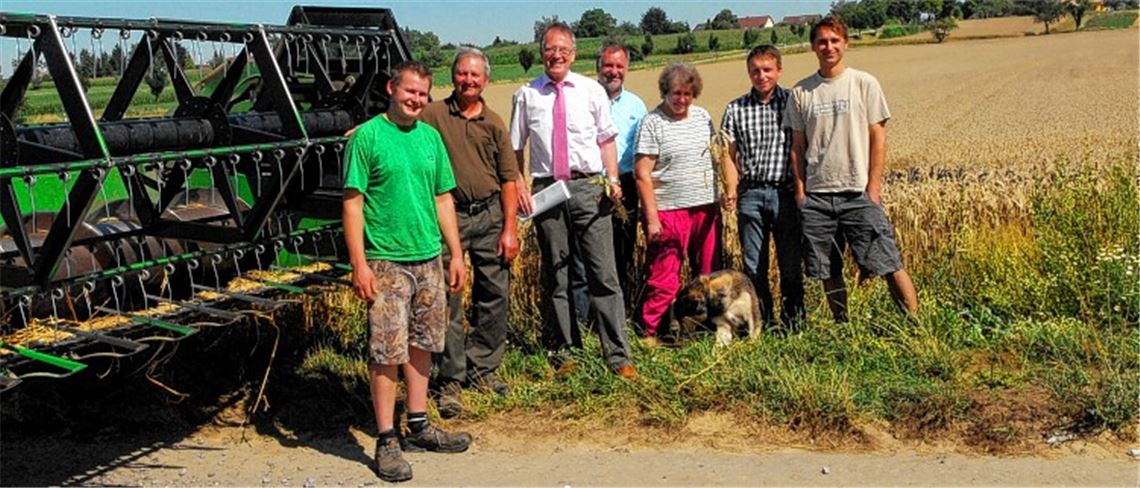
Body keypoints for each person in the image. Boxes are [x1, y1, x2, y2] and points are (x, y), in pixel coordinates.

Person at [342, 60, 472, 483]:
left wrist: (455, 253)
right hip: (386, 262)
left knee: (423, 344)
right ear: (391, 89)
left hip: (428, 257)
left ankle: (418, 425)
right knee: (386, 352)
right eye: (408, 92)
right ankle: (385, 438)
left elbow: (443, 200)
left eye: (422, 94)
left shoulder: (431, 139)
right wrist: (360, 264)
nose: (415, 100)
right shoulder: (367, 138)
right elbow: (353, 204)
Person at [509, 23, 636, 378]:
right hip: (547, 191)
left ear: (574, 55)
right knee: (556, 274)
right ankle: (566, 352)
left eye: (563, 50)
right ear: (541, 53)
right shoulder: (527, 94)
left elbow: (607, 140)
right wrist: (520, 185)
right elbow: (515, 148)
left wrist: (612, 180)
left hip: (588, 188)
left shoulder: (591, 91)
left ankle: (618, 355)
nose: (557, 55)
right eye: (550, 49)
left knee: (603, 273)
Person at [784, 15, 919, 322]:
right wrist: (802, 191)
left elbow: (878, 138)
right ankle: (843, 325)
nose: (828, 47)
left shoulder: (864, 83)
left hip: (858, 192)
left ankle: (914, 324)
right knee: (827, 268)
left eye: (834, 40)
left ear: (846, 43)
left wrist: (873, 188)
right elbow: (797, 147)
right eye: (822, 41)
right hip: (818, 197)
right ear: (813, 47)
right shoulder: (802, 92)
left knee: (887, 261)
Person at [419, 48, 519, 419]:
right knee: (449, 299)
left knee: (495, 294)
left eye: (475, 75)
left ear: (486, 80)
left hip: (490, 214)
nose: (468, 81)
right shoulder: (433, 115)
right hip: (450, 218)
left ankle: (483, 369)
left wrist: (510, 229)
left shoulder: (494, 123)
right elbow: (396, 119)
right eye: (462, 74)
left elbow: (509, 179)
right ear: (453, 76)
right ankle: (450, 379)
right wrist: (364, 129)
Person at [634, 63, 721, 344]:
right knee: (664, 278)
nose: (682, 100)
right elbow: (642, 173)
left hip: (706, 208)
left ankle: (703, 329)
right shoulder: (652, 123)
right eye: (676, 93)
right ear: (664, 92)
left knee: (708, 273)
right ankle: (652, 333)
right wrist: (652, 218)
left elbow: (716, 155)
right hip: (670, 211)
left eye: (687, 93)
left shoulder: (703, 117)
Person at [721, 45, 805, 331]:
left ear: (779, 70)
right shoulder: (735, 109)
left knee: (790, 265)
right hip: (751, 195)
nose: (761, 76)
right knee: (754, 266)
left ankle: (794, 324)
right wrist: (731, 189)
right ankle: (763, 323)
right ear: (749, 73)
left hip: (785, 194)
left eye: (767, 69)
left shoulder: (794, 101)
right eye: (755, 70)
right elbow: (729, 155)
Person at [569, 42, 648, 320]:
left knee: (621, 254)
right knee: (582, 257)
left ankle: (618, 318)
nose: (613, 72)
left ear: (626, 69)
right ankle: (583, 319)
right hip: (588, 184)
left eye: (619, 66)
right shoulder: (580, 98)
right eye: (607, 66)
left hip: (624, 186)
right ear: (597, 67)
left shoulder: (637, 106)